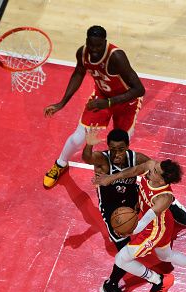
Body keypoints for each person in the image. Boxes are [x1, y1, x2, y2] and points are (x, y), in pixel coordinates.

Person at [82, 128, 186, 292]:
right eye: (113, 149)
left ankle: (169, 204)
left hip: (134, 199)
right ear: (108, 147)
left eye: (121, 149)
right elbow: (87, 158)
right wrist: (89, 144)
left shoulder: (137, 158)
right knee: (124, 252)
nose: (116, 154)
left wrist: (165, 196)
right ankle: (110, 286)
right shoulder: (103, 160)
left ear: (128, 146)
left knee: (151, 190)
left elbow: (158, 171)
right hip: (114, 210)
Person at [94, 159, 186, 292]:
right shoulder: (152, 167)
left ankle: (158, 280)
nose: (150, 170)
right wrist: (111, 178)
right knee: (165, 256)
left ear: (162, 180)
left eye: (155, 172)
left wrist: (125, 231)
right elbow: (133, 171)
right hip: (163, 223)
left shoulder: (163, 198)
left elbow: (142, 224)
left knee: (121, 259)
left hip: (154, 230)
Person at [43, 25, 145, 188]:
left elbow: (139, 89)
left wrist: (109, 103)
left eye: (99, 46)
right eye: (92, 45)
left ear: (105, 42)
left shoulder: (116, 57)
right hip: (102, 97)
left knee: (118, 145)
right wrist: (61, 103)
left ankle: (113, 174)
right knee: (79, 137)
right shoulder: (82, 53)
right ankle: (60, 164)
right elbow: (78, 73)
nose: (95, 50)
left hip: (127, 102)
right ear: (86, 42)